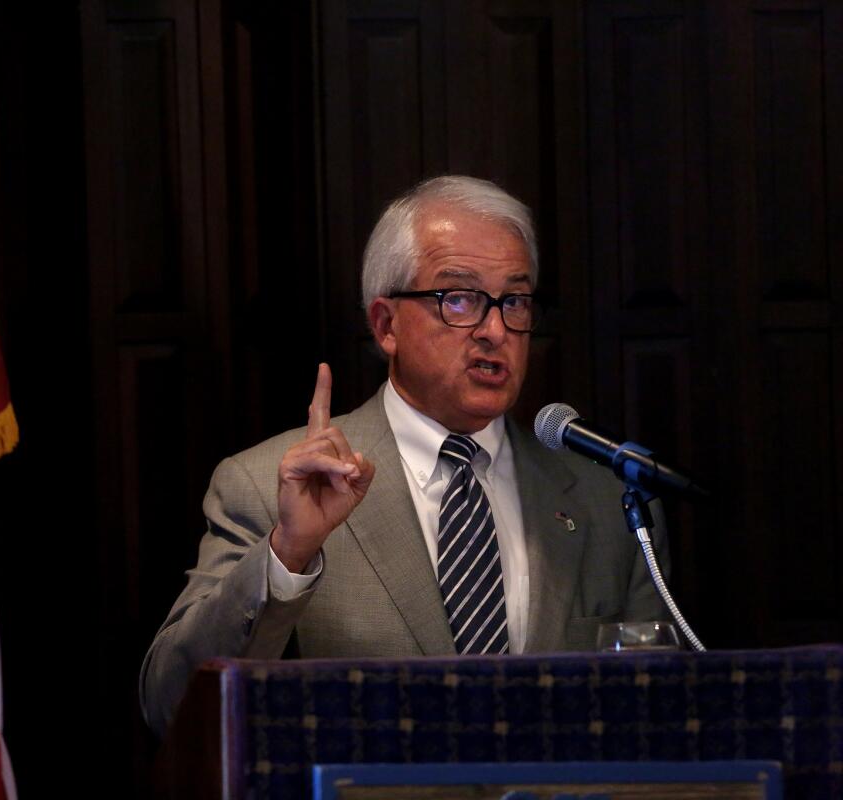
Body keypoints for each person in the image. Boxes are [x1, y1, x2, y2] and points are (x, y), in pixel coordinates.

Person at [139, 175, 670, 734]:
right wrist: (288, 552)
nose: (495, 329)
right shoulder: (264, 485)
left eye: (514, 300)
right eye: (459, 299)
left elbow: (656, 718)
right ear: (386, 324)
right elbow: (171, 707)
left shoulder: (609, 498)